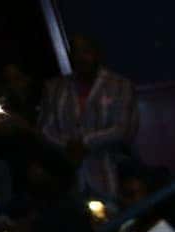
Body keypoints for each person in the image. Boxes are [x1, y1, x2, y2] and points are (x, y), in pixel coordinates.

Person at [38, 35, 138, 201]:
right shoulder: (55, 88)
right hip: (68, 176)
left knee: (116, 213)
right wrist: (68, 146)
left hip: (110, 171)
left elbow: (124, 129)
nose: (81, 58)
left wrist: (85, 143)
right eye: (76, 53)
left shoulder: (120, 85)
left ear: (97, 54)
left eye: (86, 51)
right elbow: (45, 129)